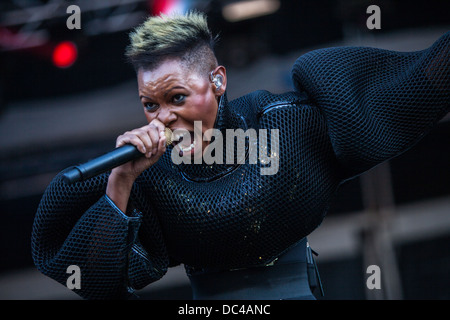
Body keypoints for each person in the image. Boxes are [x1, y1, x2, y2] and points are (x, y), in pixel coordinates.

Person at [31, 11, 449, 300]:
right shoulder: (149, 175)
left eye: (177, 97)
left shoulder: (284, 123)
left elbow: (413, 87)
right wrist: (120, 181)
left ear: (217, 80)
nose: (164, 117)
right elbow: (96, 283)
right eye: (150, 104)